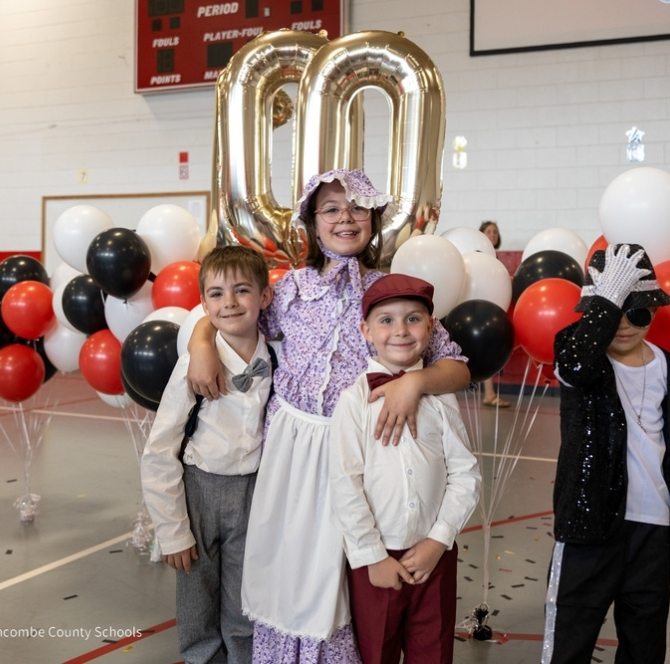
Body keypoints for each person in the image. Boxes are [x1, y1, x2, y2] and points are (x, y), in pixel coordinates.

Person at [187, 169, 471, 664]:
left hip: (364, 448)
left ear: (373, 220)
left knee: (347, 574)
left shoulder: (390, 292)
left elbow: (457, 367)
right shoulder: (290, 288)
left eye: (358, 208)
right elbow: (228, 315)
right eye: (331, 209)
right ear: (311, 223)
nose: (345, 218)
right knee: (295, 569)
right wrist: (200, 343)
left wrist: (415, 382)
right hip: (295, 447)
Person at [542, 244, 670, 664]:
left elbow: (668, 439)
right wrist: (606, 298)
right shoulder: (577, 350)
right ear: (594, 311)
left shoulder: (668, 365)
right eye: (612, 311)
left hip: (653, 529)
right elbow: (574, 365)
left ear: (655, 311)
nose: (623, 324)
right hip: (589, 523)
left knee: (645, 647)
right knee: (570, 640)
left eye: (637, 311)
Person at [329, 273, 482, 664]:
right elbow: (345, 483)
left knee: (433, 652)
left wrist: (438, 540)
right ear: (365, 330)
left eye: (413, 319)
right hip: (376, 561)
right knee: (375, 652)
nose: (400, 330)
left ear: (431, 328)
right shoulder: (353, 401)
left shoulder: (440, 396)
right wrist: (372, 556)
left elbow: (465, 473)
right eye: (386, 320)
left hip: (435, 556)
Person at [141, 244, 274, 664]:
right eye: (216, 294)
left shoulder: (280, 357)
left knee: (245, 604)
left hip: (255, 492)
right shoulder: (194, 365)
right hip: (199, 491)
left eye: (241, 291)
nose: (229, 302)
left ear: (265, 297)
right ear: (203, 304)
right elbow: (160, 449)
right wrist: (172, 530)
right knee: (197, 603)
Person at [478, 220, 510, 408]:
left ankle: (489, 393)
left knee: (488, 350)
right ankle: (488, 394)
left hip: (493, 307)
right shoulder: (478, 256)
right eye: (489, 231)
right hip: (480, 307)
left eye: (495, 232)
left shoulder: (495, 259)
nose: (493, 234)